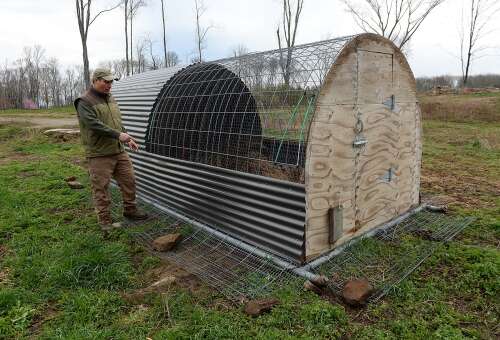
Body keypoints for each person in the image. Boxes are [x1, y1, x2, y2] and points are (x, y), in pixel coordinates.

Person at [74, 68, 147, 232]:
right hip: (99, 153)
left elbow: (117, 122)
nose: (109, 85)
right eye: (105, 81)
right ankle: (105, 222)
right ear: (95, 80)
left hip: (118, 150)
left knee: (129, 181)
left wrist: (128, 137)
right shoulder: (84, 101)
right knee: (101, 188)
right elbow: (93, 125)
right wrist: (118, 135)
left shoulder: (111, 98)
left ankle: (130, 210)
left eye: (111, 81)